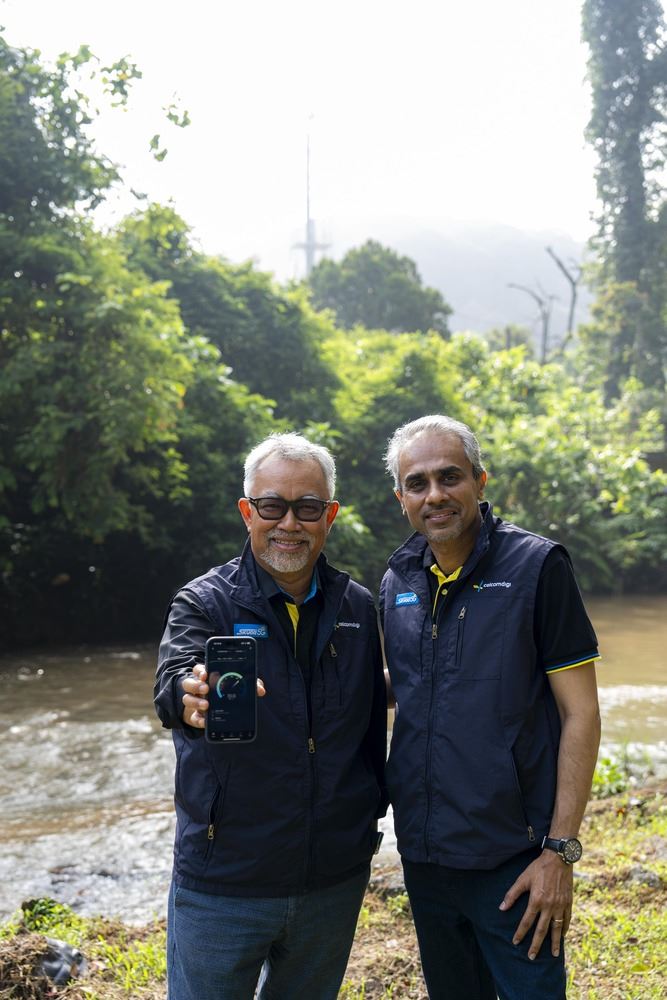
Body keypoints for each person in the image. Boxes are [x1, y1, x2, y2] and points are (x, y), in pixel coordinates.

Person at [154, 432, 387, 1000]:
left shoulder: (357, 607)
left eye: (307, 507)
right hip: (224, 878)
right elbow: (173, 684)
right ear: (247, 511)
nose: (289, 523)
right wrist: (192, 696)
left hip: (333, 876)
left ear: (328, 514)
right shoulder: (204, 602)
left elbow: (377, 714)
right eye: (271, 506)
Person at [379, 415, 601, 1000]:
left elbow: (581, 713)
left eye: (449, 477)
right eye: (417, 483)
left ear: (479, 480)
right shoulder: (397, 579)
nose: (435, 495)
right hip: (426, 859)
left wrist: (560, 852)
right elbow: (412, 680)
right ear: (400, 496)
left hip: (516, 862)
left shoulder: (538, 568)